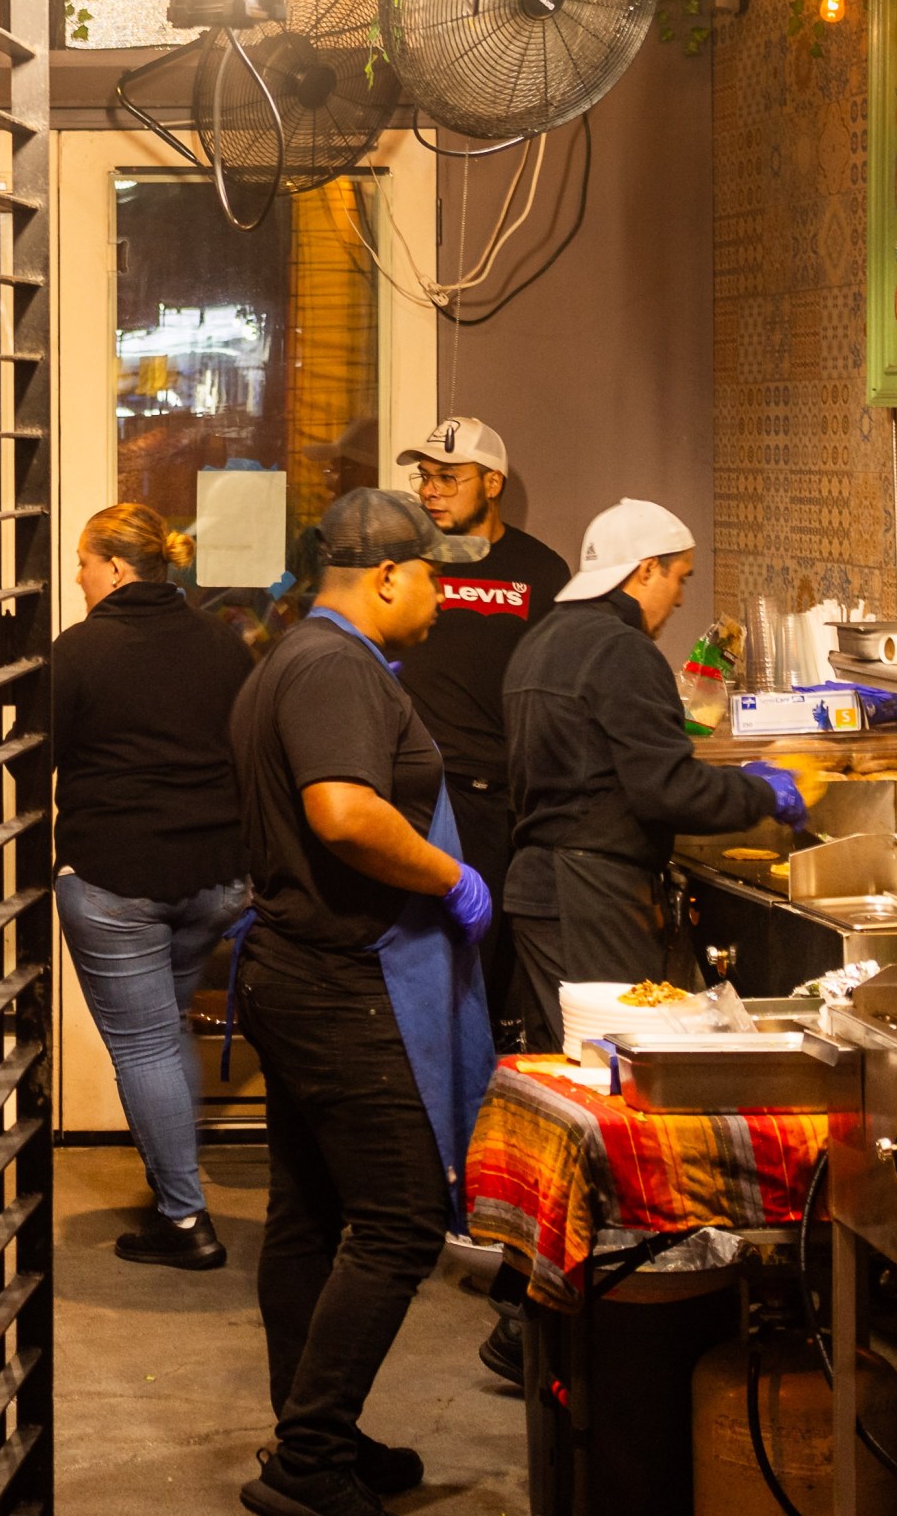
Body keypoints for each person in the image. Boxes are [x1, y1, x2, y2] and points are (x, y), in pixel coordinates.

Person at [228, 488, 497, 1516]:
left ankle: (311, 1427)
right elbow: (341, 811)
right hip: (338, 979)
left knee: (310, 1210)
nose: (442, 590)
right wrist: (446, 876)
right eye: (434, 572)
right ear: (387, 574)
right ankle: (308, 1458)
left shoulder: (297, 655)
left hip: (297, 967)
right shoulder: (335, 665)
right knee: (399, 1215)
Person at [502, 501, 805, 1051]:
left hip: (538, 889)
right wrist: (763, 791)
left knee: (568, 1067)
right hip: (593, 897)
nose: (682, 597)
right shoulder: (621, 650)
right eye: (680, 576)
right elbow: (667, 789)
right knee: (617, 1063)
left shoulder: (540, 642)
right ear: (645, 570)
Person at [46, 500, 255, 1271]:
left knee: (143, 1045)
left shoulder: (82, 650)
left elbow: (29, 752)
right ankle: (174, 1183)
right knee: (164, 1030)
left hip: (118, 883)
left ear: (117, 566)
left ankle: (183, 1216)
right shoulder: (225, 645)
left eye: (83, 560)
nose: (77, 574)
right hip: (216, 882)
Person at [389, 417, 566, 1036]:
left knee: (485, 975)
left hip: (493, 803)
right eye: (424, 477)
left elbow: (558, 687)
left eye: (447, 477)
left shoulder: (539, 571)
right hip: (409, 794)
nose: (430, 490)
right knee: (414, 967)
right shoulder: (404, 562)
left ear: (491, 482)